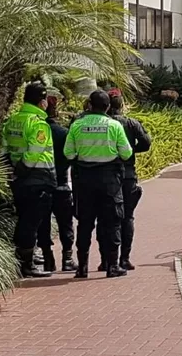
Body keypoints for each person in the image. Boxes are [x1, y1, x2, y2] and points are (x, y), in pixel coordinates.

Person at [64, 89, 134, 278]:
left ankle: (82, 267)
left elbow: (68, 154)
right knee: (112, 223)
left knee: (85, 224)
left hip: (84, 181)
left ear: (89, 105)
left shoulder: (77, 125)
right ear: (108, 107)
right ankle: (112, 267)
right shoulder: (114, 126)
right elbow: (127, 153)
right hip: (110, 181)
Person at [0, 82, 56, 278]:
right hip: (37, 180)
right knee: (30, 224)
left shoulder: (12, 120)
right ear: (42, 102)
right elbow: (33, 155)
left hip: (18, 180)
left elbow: (4, 151)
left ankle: (22, 262)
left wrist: (15, 174)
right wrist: (23, 172)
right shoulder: (38, 124)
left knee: (24, 220)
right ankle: (27, 265)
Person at [95, 88, 151, 272]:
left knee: (105, 219)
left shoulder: (103, 123)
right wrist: (131, 150)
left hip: (106, 176)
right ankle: (124, 258)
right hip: (127, 175)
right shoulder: (131, 124)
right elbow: (146, 143)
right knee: (127, 217)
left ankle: (106, 260)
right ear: (122, 105)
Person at [35, 95, 77, 272]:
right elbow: (71, 156)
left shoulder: (36, 131)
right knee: (65, 222)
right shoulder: (63, 133)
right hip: (61, 184)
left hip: (42, 184)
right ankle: (67, 258)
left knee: (43, 222)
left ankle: (47, 257)